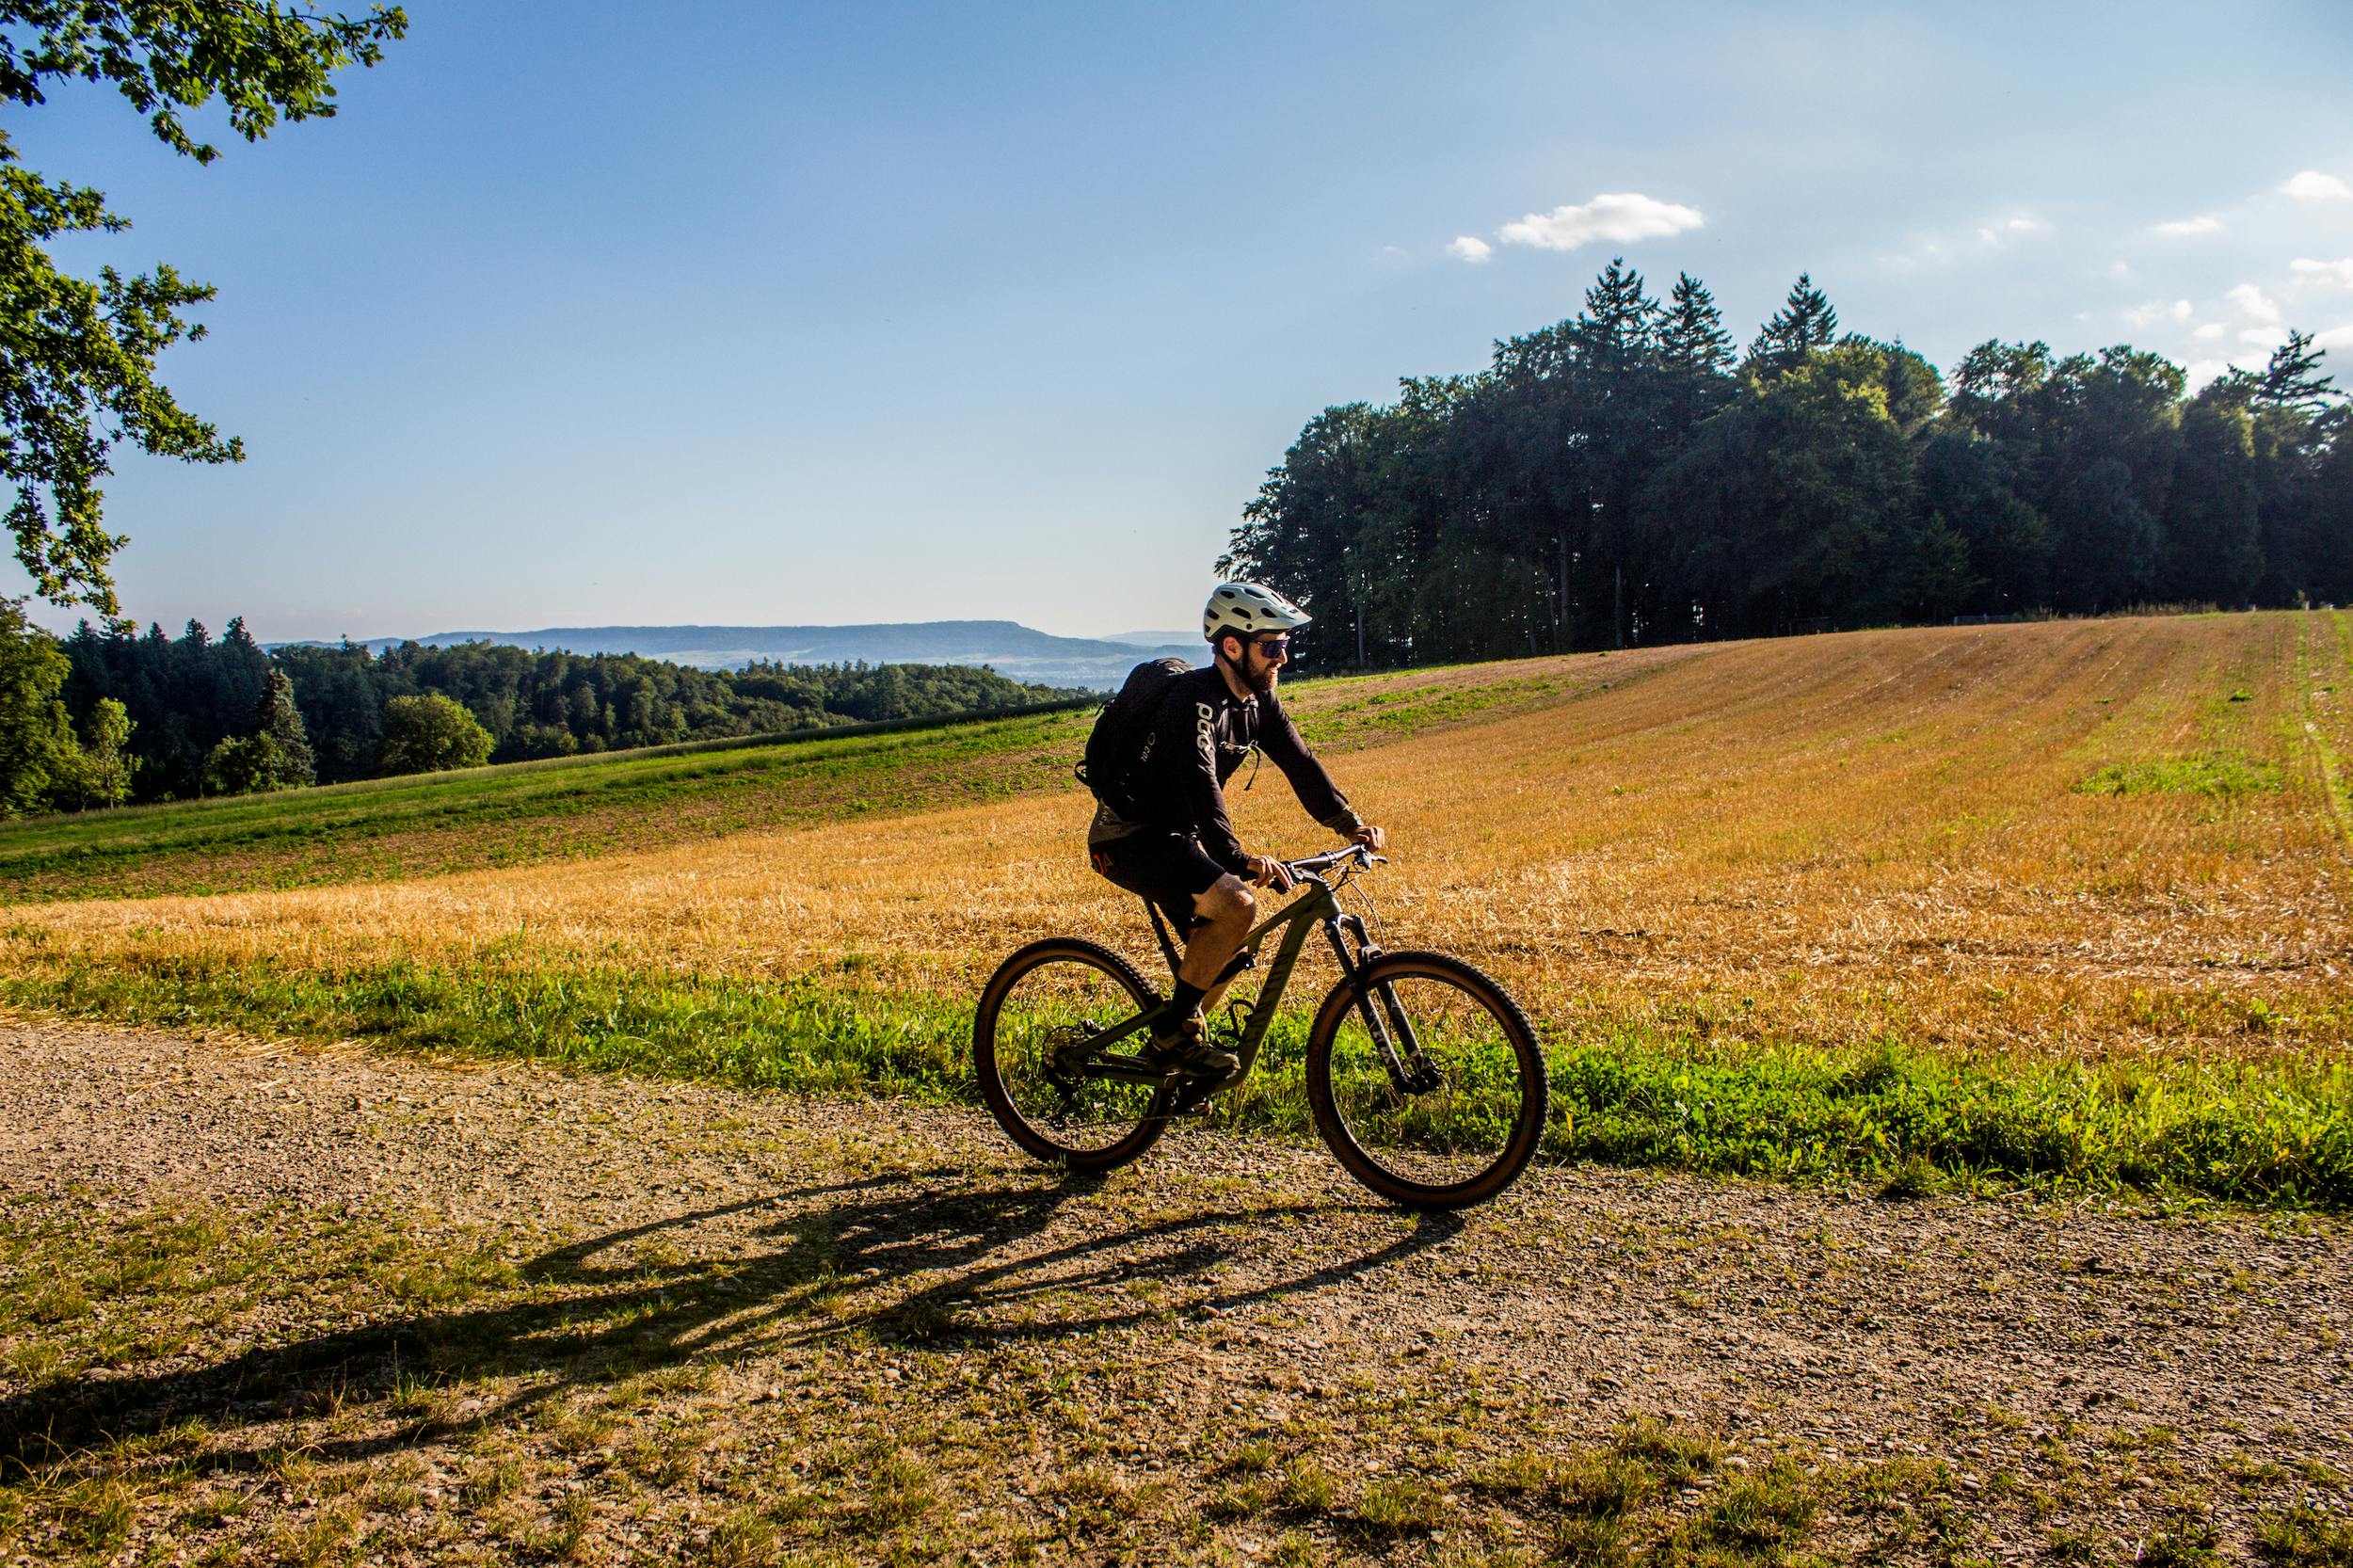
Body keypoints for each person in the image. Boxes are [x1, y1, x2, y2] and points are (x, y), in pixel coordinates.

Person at [1086, 583, 1386, 1076]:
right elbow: (1198, 780)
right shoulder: (1193, 700)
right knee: (1238, 905)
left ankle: (1177, 1055)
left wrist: (1348, 823)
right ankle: (1175, 1034)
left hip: (1175, 836)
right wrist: (1236, 857)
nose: (1282, 659)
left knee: (1232, 949)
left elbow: (1301, 763)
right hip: (1128, 836)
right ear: (1232, 646)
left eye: (1286, 646)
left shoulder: (1257, 703)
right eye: (1271, 647)